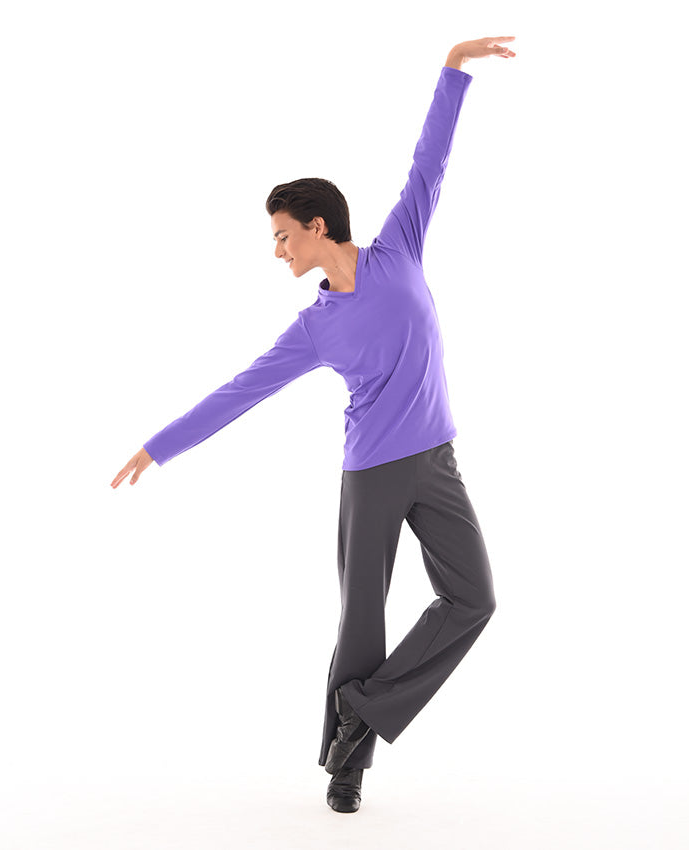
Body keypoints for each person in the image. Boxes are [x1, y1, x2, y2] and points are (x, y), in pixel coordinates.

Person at [111, 36, 516, 814]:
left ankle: (363, 709)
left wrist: (453, 71)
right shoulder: (313, 328)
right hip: (371, 475)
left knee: (474, 599)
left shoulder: (399, 247)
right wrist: (158, 446)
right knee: (361, 623)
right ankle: (347, 769)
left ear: (318, 225)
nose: (277, 251)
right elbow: (239, 392)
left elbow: (428, 163)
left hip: (437, 462)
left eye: (282, 235)